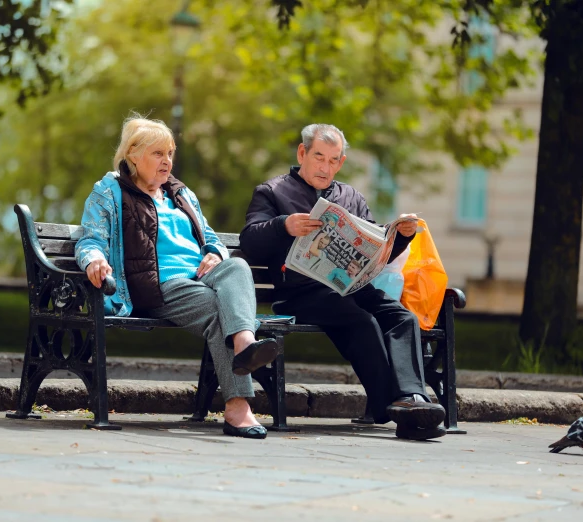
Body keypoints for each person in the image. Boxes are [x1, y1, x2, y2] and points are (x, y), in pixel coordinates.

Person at [75, 114, 279, 439]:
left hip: (202, 279)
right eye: (158, 153)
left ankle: (244, 344)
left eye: (170, 153)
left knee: (237, 266)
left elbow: (210, 236)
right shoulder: (110, 191)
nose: (167, 161)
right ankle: (238, 406)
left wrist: (215, 253)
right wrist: (94, 261)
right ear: (133, 156)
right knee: (218, 310)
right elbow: (90, 240)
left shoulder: (182, 194)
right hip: (157, 286)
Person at [240, 123, 446, 440]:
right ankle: (397, 409)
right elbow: (250, 240)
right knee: (361, 322)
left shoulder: (351, 196)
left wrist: (400, 239)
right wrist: (284, 226)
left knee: (401, 317)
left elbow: (378, 250)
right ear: (302, 153)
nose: (325, 167)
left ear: (341, 162)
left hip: (352, 286)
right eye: (319, 157)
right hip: (301, 293)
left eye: (333, 160)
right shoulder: (272, 192)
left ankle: (412, 397)